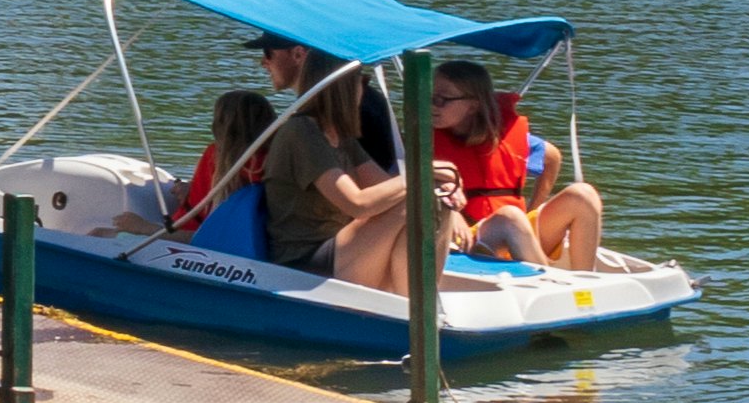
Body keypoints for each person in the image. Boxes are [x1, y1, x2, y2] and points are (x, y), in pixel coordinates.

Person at [247, 38, 447, 290]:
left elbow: (387, 189)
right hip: (304, 260)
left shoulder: (342, 137)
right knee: (418, 203)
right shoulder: (301, 132)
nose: (363, 90)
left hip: (341, 251)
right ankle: (408, 310)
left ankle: (414, 302)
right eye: (360, 82)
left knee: (434, 201)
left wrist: (440, 183)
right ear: (342, 86)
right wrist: (420, 176)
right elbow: (357, 204)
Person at [430, 57, 608, 270]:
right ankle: (551, 284)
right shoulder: (421, 140)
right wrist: (452, 213)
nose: (433, 105)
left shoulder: (503, 134)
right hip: (464, 240)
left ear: (473, 106)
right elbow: (409, 183)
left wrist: (533, 207)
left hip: (516, 231)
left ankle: (583, 284)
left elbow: (551, 157)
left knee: (583, 195)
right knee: (510, 217)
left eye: (443, 99)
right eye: (430, 97)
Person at [168, 87, 278, 238]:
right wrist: (192, 189)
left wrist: (144, 228)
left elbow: (201, 227)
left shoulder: (215, 155)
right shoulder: (271, 161)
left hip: (190, 234)